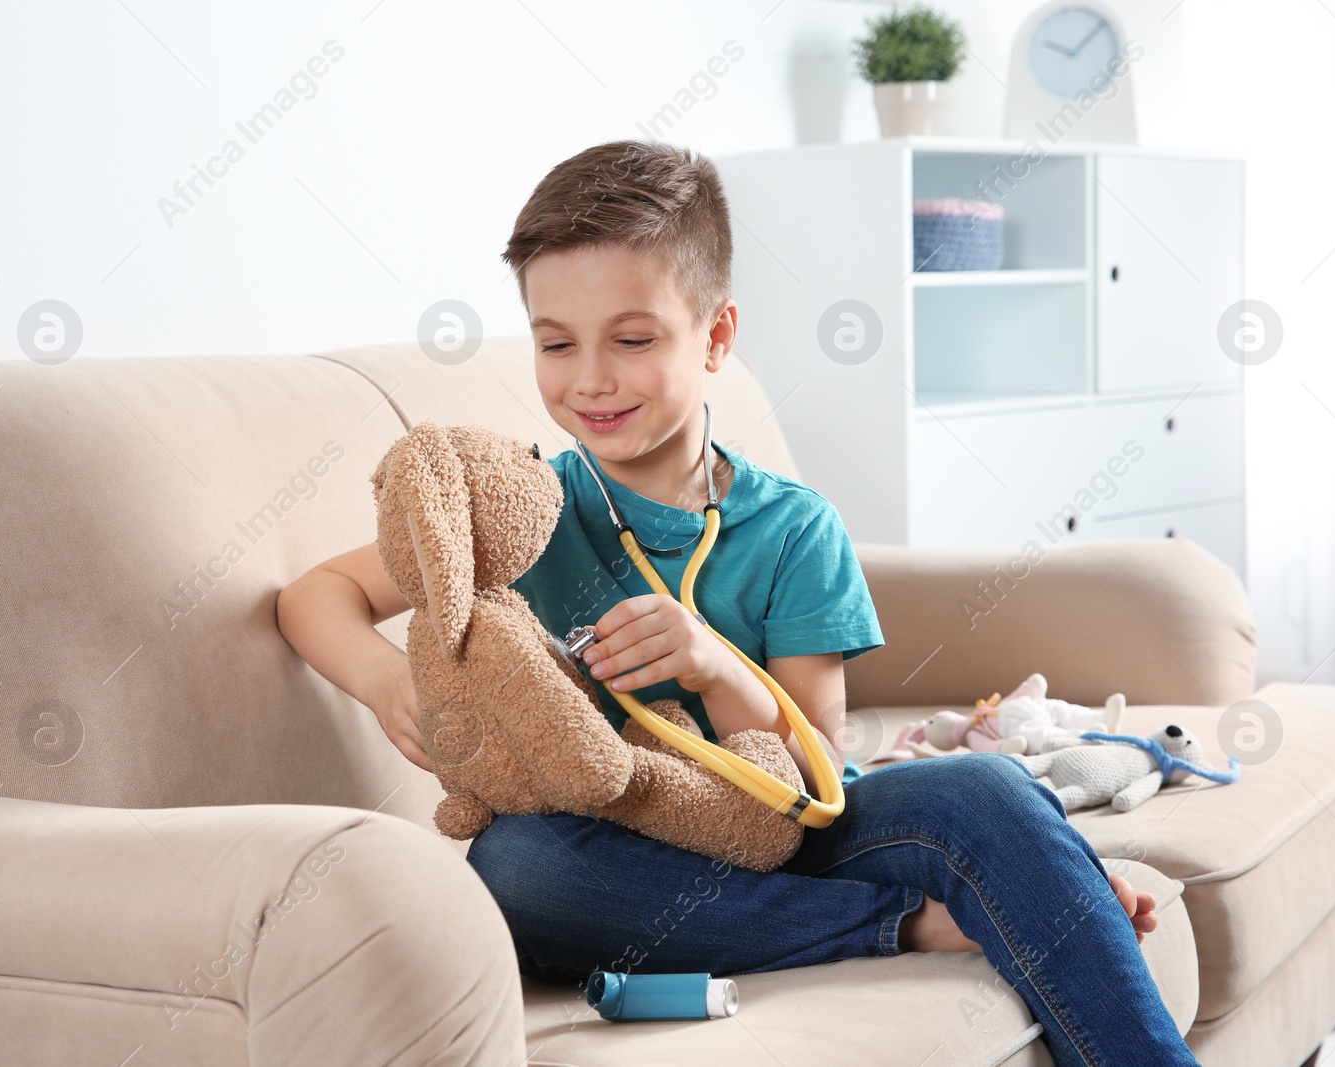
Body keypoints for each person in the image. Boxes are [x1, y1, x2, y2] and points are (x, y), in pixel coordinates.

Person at [277, 140, 1199, 1066]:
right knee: (516, 866)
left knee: (986, 789)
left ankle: (1052, 925)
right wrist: (388, 680)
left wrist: (716, 668)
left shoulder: (795, 530)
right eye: (556, 343)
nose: (589, 377)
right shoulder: (520, 508)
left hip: (783, 836)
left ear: (716, 336)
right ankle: (913, 921)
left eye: (632, 340)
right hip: (613, 855)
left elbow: (818, 775)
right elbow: (316, 595)